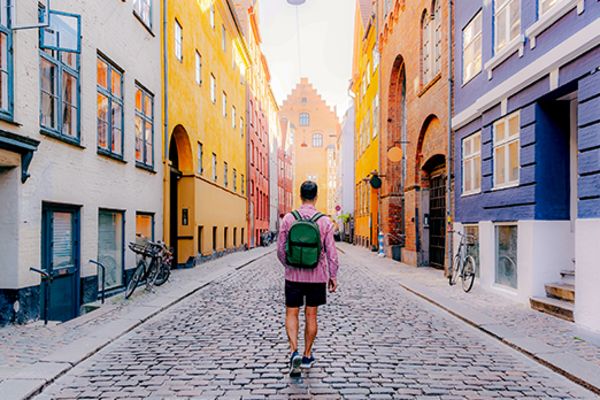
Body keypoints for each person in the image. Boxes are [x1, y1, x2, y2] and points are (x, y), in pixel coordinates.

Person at [277, 181, 339, 377]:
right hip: (316, 277)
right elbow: (332, 252)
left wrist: (290, 265)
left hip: (293, 277)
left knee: (291, 313)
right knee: (311, 316)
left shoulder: (288, 218)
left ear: (300, 195)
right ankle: (306, 355)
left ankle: (293, 351)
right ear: (316, 197)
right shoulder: (324, 221)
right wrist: (333, 275)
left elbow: (280, 250)